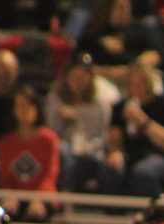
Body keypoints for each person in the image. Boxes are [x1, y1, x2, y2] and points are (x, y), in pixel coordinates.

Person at [103, 60, 164, 197]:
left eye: (139, 83)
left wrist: (142, 120)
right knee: (109, 169)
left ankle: (154, 213)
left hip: (163, 157)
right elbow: (114, 139)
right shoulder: (121, 107)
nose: (135, 87)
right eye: (131, 83)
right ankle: (114, 214)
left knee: (143, 172)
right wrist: (115, 152)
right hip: (130, 156)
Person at [46, 52, 120, 193]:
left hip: (91, 153)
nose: (79, 81)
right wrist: (62, 119)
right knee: (65, 154)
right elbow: (50, 133)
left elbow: (102, 135)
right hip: (64, 151)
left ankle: (110, 211)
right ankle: (65, 199)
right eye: (75, 76)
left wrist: (88, 148)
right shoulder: (56, 99)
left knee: (110, 167)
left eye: (83, 77)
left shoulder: (100, 103)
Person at [0, 87, 60, 222]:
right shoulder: (6, 142)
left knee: (36, 215)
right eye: (20, 106)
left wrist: (38, 198)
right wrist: (10, 195)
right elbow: (5, 177)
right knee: (6, 214)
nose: (24, 110)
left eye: (29, 105)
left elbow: (50, 173)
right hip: (15, 196)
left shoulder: (48, 139)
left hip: (43, 196)